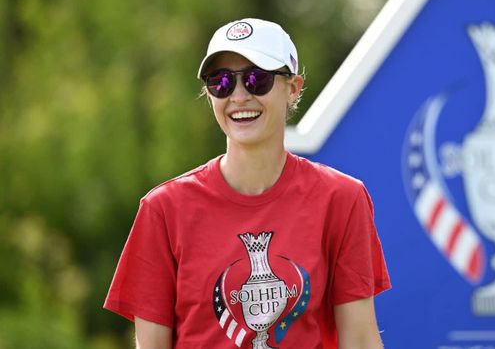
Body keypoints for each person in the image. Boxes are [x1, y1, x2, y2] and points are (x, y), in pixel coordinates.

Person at [104, 18, 391, 349]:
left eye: (257, 79)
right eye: (221, 82)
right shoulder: (163, 209)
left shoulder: (341, 199)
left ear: (293, 88)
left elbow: (359, 340)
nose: (239, 96)